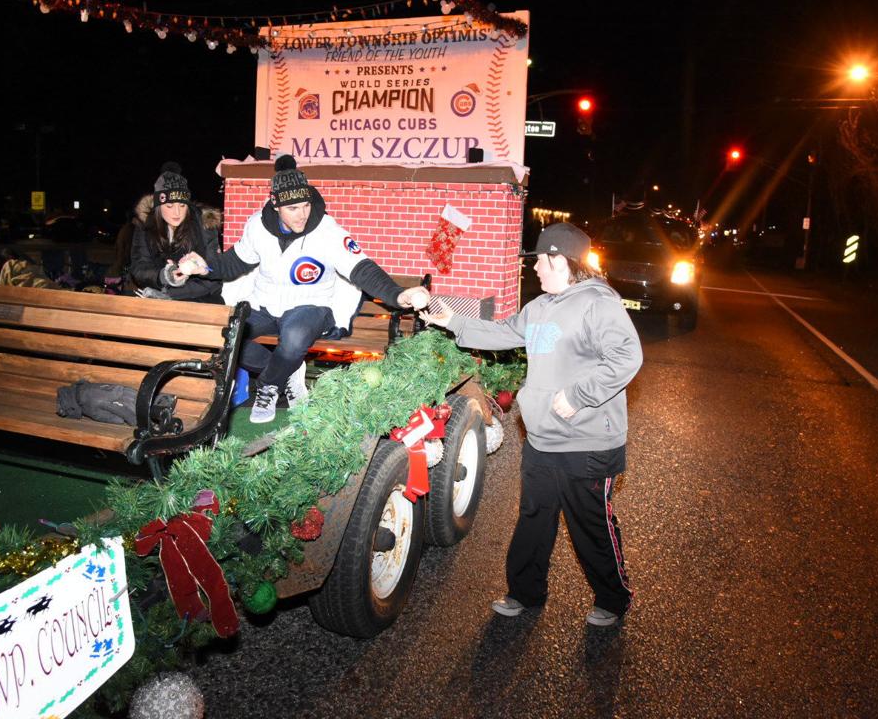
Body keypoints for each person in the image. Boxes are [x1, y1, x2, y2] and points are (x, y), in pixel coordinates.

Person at [419, 222, 643, 627]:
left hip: (588, 443)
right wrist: (454, 321)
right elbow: (505, 332)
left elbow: (627, 357)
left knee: (589, 525)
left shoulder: (598, 303)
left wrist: (578, 395)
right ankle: (525, 592)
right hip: (542, 439)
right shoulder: (539, 308)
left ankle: (613, 598)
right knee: (534, 518)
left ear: (560, 259)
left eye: (539, 259)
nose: (534, 268)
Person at [173, 155, 430, 423]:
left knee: (294, 335)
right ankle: (288, 371)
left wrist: (398, 294)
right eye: (293, 208)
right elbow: (234, 262)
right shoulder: (257, 227)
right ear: (276, 205)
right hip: (265, 305)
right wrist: (205, 268)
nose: (303, 214)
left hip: (312, 306)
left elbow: (361, 268)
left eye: (306, 205)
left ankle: (268, 386)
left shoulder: (327, 231)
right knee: (228, 334)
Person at [130, 164, 224, 304]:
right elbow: (139, 268)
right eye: (169, 206)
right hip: (156, 296)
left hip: (201, 300)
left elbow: (214, 275)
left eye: (182, 205)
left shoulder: (205, 224)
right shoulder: (145, 225)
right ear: (158, 206)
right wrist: (164, 276)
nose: (177, 213)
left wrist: (171, 293)